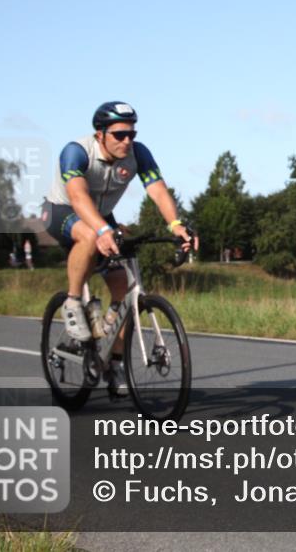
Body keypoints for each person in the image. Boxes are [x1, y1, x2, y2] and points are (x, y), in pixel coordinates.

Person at [42, 101, 195, 396]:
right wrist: (102, 230)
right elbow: (77, 195)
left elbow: (158, 190)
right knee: (88, 235)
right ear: (100, 134)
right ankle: (73, 303)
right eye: (119, 135)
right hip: (62, 211)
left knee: (125, 290)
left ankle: (114, 361)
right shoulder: (76, 151)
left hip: (102, 217)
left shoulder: (138, 154)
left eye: (131, 134)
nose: (127, 141)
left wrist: (175, 224)